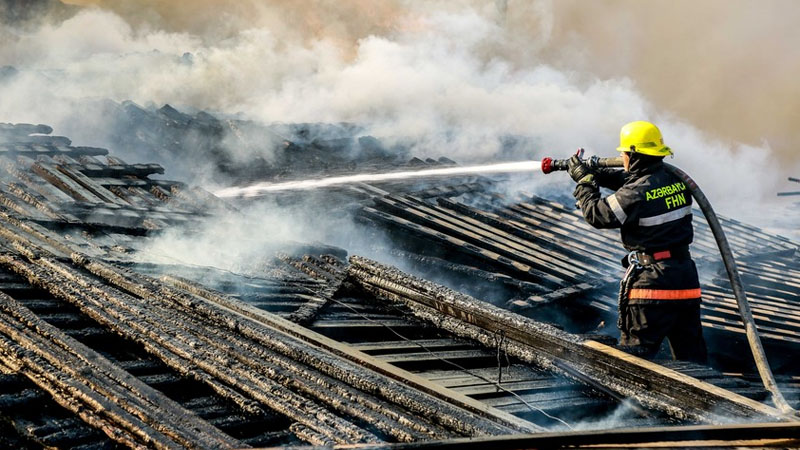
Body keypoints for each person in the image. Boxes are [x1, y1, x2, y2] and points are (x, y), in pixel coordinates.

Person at [567, 121, 708, 364]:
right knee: (692, 359)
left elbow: (598, 214)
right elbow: (635, 183)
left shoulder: (636, 193)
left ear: (632, 154)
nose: (621, 157)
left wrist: (585, 183)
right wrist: (597, 173)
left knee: (636, 362)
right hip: (685, 280)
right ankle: (708, 400)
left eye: (624, 153)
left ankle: (631, 403)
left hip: (652, 283)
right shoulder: (676, 181)